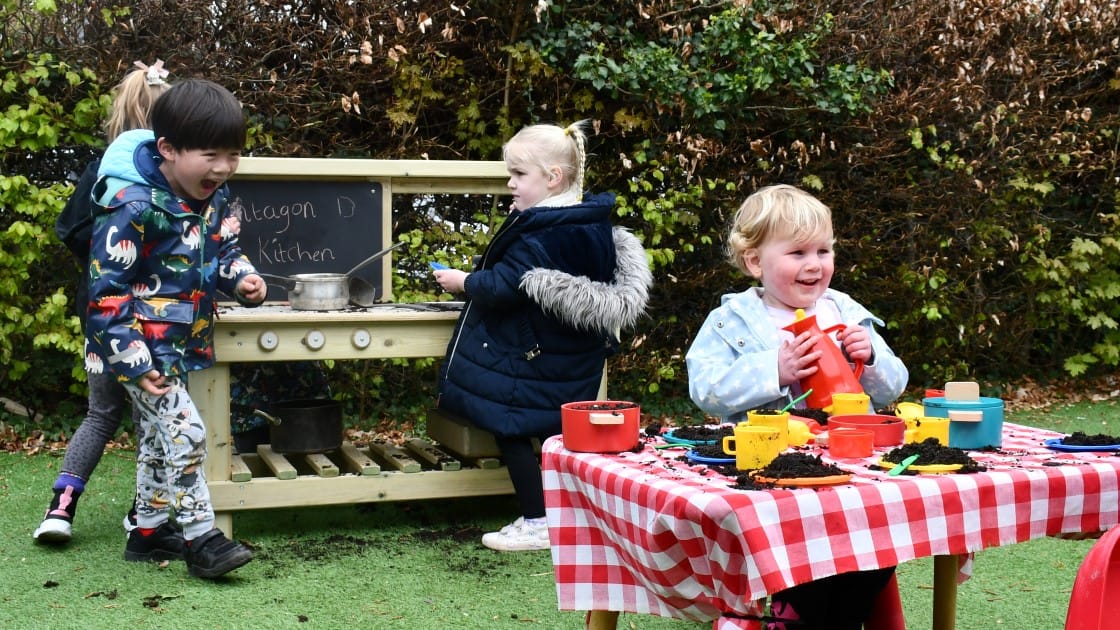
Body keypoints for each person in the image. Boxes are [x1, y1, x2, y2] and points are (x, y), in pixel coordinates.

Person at [685, 184, 908, 628]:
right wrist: (774, 369)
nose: (814, 265)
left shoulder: (844, 311)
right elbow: (704, 387)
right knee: (798, 554)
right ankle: (794, 613)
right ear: (755, 262)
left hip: (848, 466)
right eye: (798, 253)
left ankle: (840, 615)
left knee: (877, 548)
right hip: (769, 471)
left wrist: (874, 357)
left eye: (823, 251)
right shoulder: (733, 321)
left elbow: (893, 389)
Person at [433, 121, 652, 552]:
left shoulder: (540, 233)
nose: (510, 184)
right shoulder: (585, 223)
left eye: (519, 175)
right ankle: (575, 512)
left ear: (553, 178)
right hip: (569, 357)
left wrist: (464, 281)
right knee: (559, 434)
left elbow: (503, 286)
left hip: (531, 357)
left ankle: (538, 520)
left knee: (511, 429)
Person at [83, 78, 264, 578]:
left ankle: (147, 530)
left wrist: (242, 277)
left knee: (157, 440)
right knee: (186, 431)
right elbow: (106, 294)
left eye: (234, 155)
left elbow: (222, 249)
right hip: (131, 348)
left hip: (177, 344)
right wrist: (136, 364)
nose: (224, 168)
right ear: (167, 150)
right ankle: (201, 537)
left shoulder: (214, 197)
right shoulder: (132, 206)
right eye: (211, 155)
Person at [34, 60, 173, 545]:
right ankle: (142, 512)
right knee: (149, 416)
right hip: (153, 315)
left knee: (100, 413)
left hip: (99, 312)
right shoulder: (166, 182)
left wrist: (102, 256)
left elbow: (67, 230)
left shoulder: (100, 173)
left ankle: (60, 508)